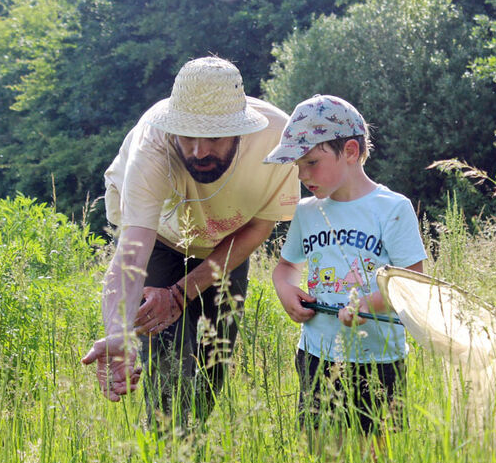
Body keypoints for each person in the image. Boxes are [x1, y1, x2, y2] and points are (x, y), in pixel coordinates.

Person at [81, 57, 299, 431]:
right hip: (162, 240)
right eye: (188, 135)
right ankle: (165, 459)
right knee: (167, 371)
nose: (198, 151)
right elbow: (133, 249)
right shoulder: (152, 143)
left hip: (229, 242)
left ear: (239, 132)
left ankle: (193, 455)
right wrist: (118, 331)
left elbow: (259, 228)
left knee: (216, 362)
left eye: (213, 137)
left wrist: (182, 294)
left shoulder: (279, 138)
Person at [267, 95, 426, 437]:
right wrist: (286, 291)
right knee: (322, 454)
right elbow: (285, 267)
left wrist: (368, 303)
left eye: (312, 163)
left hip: (378, 360)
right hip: (316, 355)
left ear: (351, 152)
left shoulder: (392, 208)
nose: (303, 175)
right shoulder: (306, 212)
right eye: (297, 166)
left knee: (375, 460)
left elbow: (413, 283)